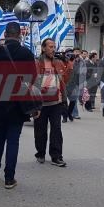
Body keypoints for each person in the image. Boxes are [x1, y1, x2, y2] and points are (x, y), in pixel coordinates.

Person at [0, 22, 38, 189]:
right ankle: (9, 178)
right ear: (19, 35)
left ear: (5, 35)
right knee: (13, 140)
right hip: (18, 102)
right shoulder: (26, 53)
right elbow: (32, 78)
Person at [34, 38, 69, 167]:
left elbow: (65, 80)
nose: (53, 49)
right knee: (40, 130)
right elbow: (33, 83)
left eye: (54, 47)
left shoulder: (58, 63)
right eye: (50, 47)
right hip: (41, 103)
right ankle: (40, 153)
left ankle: (56, 156)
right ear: (43, 48)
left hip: (56, 102)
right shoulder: (37, 63)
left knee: (56, 130)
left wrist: (68, 64)